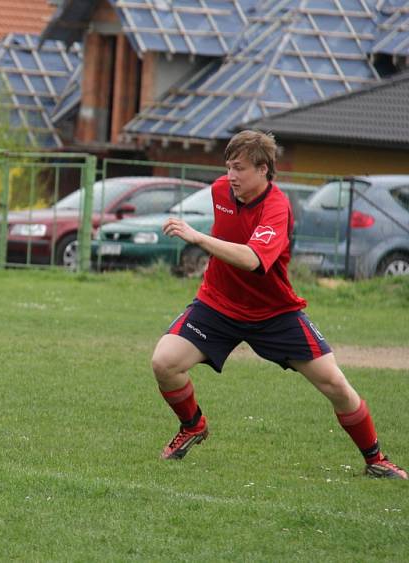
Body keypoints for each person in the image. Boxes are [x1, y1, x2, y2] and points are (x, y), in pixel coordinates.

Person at [151, 130, 405, 479]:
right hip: (218, 304)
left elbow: (252, 259)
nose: (231, 176)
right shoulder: (219, 192)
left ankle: (376, 459)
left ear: (263, 169)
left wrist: (198, 238)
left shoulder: (277, 207)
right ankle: (193, 426)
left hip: (274, 313)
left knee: (334, 383)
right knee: (164, 363)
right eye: (228, 167)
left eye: (239, 168)